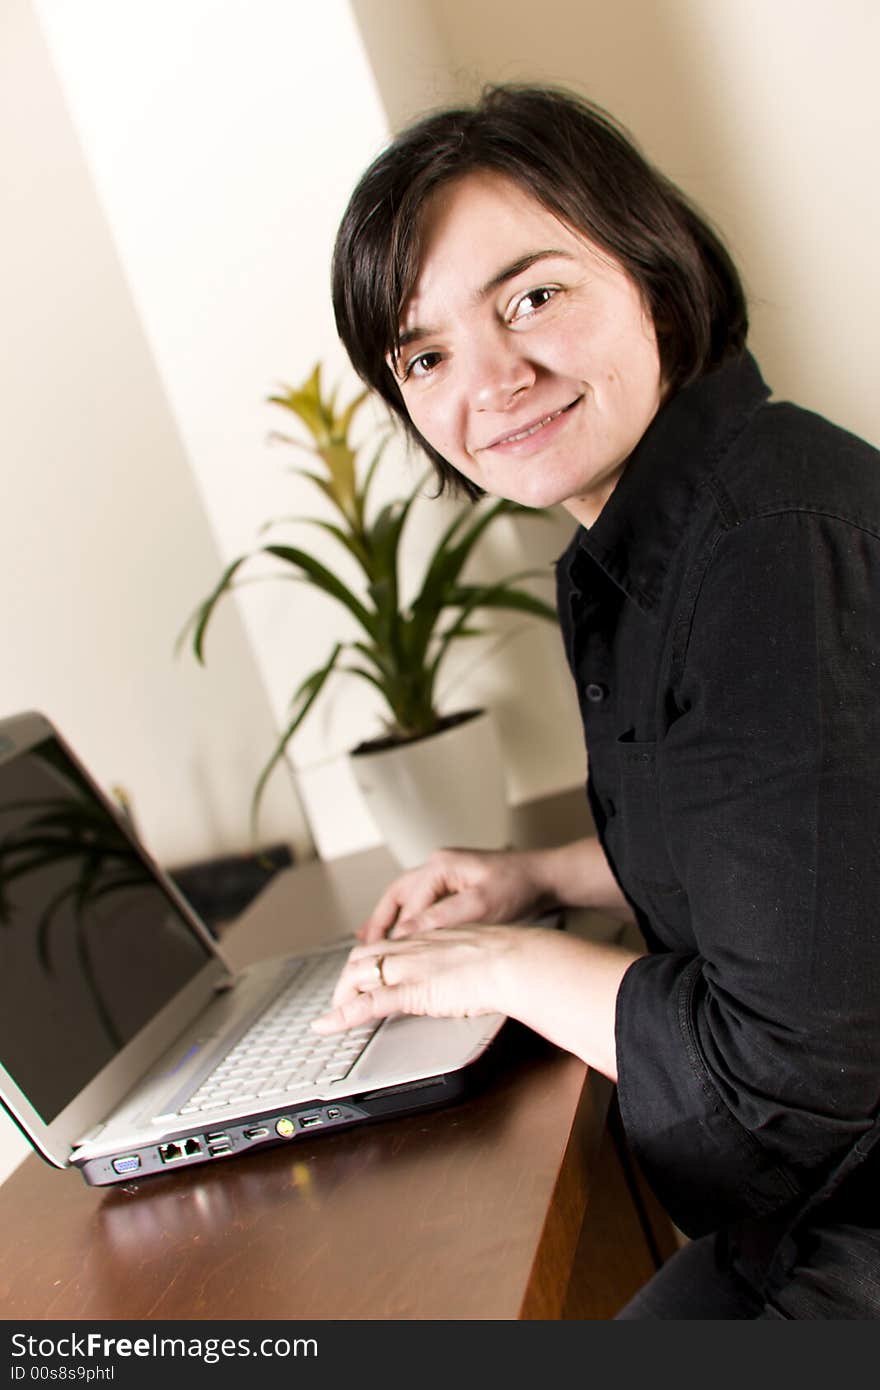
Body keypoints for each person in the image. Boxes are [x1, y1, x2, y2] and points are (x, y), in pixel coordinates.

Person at [314, 84, 880, 1317]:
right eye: (425, 353)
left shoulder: (769, 546)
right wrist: (548, 877)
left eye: (532, 296)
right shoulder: (687, 524)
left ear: (652, 268)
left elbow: (785, 1077)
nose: (495, 377)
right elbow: (807, 853)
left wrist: (505, 966)